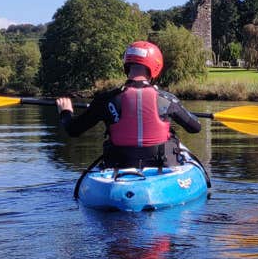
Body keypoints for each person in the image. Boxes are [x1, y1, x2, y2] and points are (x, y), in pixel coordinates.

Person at [56, 41, 201, 170]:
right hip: (161, 166)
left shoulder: (105, 100)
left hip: (119, 167)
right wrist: (182, 111)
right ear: (155, 67)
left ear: (127, 65)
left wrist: (65, 112)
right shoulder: (168, 100)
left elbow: (73, 130)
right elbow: (195, 127)